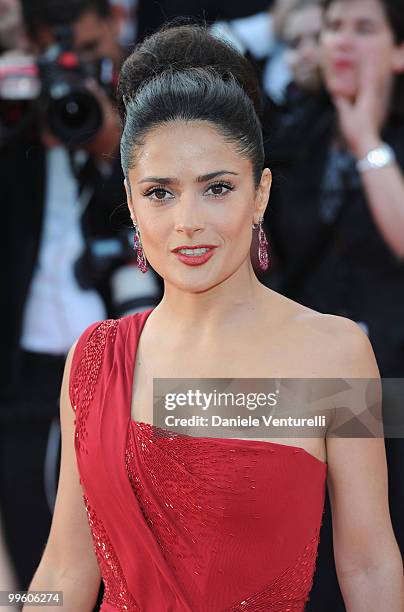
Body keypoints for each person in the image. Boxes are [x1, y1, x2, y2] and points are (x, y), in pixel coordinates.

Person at [24, 23, 403, 611]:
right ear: (130, 202)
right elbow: (66, 569)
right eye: (160, 192)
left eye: (217, 188)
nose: (188, 221)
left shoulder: (336, 353)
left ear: (261, 193)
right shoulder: (95, 358)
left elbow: (370, 562)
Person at [0, 0, 160, 592]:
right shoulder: (15, 109)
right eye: (61, 56)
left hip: (120, 368)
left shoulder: (147, 114)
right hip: (24, 371)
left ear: (117, 28)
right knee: (32, 547)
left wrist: (112, 141)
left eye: (91, 54)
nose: (76, 71)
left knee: (119, 548)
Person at [264, 0, 404, 609]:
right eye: (332, 28)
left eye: (364, 28)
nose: (342, 42)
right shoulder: (297, 129)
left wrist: (368, 143)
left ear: (399, 51)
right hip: (307, 395)